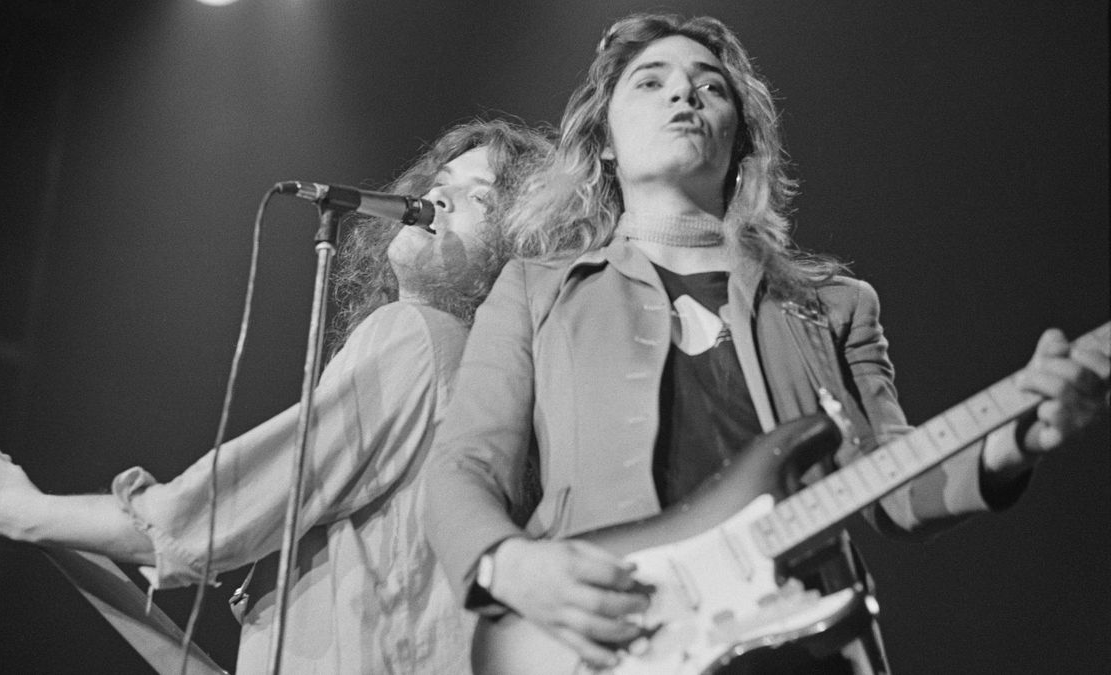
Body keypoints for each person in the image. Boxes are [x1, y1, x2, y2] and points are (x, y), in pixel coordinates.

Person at [424, 14, 1110, 674]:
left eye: (710, 85)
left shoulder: (835, 305)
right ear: (604, 138)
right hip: (609, 643)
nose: (684, 93)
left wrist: (1012, 434)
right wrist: (508, 563)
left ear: (741, 142)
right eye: (650, 81)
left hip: (808, 644)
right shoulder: (535, 291)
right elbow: (464, 465)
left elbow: (900, 482)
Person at [0, 117, 552, 673]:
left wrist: (27, 513)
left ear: (520, 247)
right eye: (440, 179)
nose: (437, 195)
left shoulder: (421, 336)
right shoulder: (481, 379)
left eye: (481, 198)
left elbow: (215, 517)